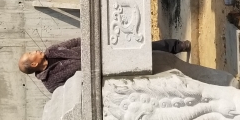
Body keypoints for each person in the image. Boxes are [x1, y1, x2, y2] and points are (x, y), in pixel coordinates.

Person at [19, 38, 191, 93]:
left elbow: (77, 41)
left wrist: (95, 43)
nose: (35, 50)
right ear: (33, 63)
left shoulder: (52, 50)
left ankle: (177, 46)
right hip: (105, 74)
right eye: (31, 53)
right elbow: (78, 90)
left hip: (103, 51)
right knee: (143, 72)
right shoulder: (51, 84)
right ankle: (179, 79)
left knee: (142, 49)